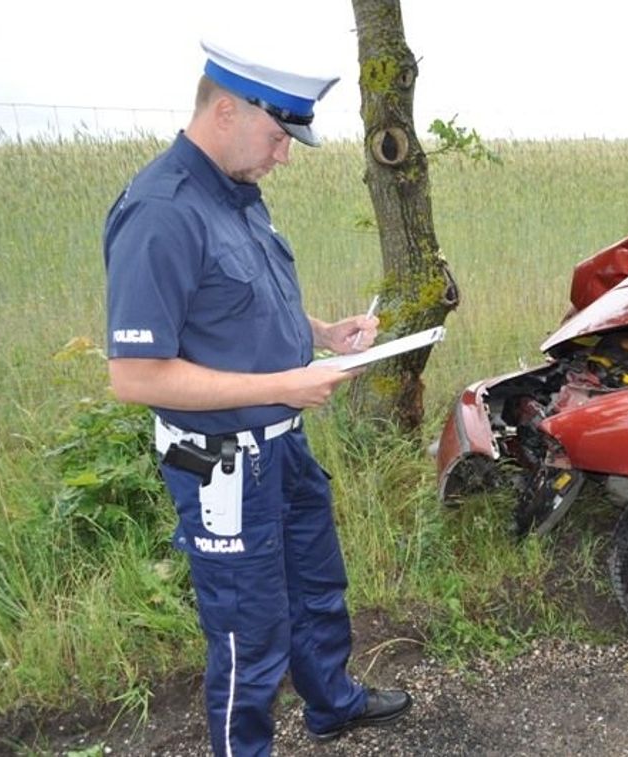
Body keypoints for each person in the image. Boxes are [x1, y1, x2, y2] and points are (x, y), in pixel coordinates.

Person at [103, 39, 411, 755]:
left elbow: (237, 309)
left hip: (283, 447)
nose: (285, 154)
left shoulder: (237, 195)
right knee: (250, 628)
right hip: (221, 462)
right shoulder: (161, 212)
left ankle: (332, 703)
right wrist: (285, 386)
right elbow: (136, 375)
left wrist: (325, 334)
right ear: (225, 112)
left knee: (315, 582)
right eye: (279, 136)